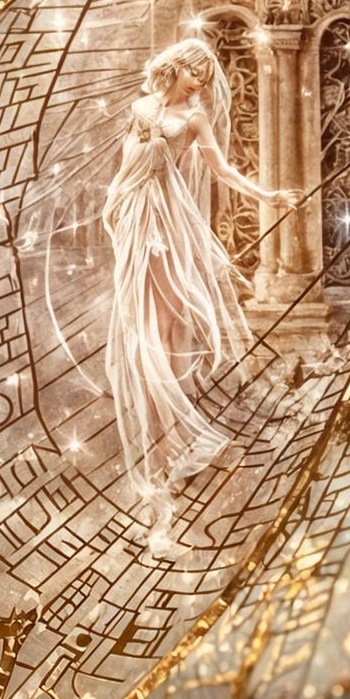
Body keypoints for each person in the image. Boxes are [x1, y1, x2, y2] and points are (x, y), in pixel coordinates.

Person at [102, 34, 292, 511]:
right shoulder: (142, 108)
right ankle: (160, 449)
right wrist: (115, 202)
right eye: (194, 74)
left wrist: (266, 197)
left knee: (165, 329)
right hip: (134, 214)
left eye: (204, 79)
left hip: (166, 219)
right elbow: (126, 163)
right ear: (175, 68)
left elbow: (222, 170)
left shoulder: (194, 117)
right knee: (140, 329)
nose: (198, 84)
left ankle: (171, 446)